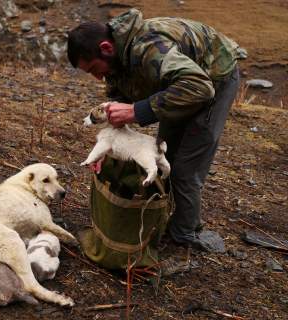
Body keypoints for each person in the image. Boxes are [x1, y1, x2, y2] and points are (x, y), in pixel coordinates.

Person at [67, 8, 243, 251]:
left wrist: (137, 111)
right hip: (177, 84)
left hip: (213, 79)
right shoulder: (118, 54)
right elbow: (121, 91)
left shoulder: (148, 48)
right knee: (164, 156)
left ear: (106, 48)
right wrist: (107, 147)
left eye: (96, 69)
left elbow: (199, 88)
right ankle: (160, 215)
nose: (98, 78)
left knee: (185, 169)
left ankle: (184, 235)